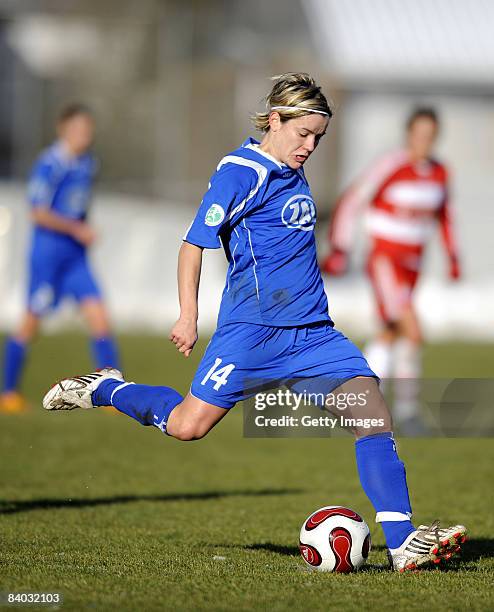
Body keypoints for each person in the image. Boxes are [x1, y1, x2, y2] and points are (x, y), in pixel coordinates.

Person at [42, 75, 465, 571]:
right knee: (186, 426)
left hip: (312, 335)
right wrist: (188, 313)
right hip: (252, 336)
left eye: (318, 138)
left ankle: (403, 544)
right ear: (275, 120)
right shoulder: (240, 172)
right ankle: (108, 389)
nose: (310, 146)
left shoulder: (291, 165)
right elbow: (192, 244)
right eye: (303, 133)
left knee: (372, 417)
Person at [321, 108, 460, 433]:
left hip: (413, 267)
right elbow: (352, 199)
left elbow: (446, 216)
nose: (424, 141)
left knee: (390, 332)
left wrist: (454, 258)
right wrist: (340, 247)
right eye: (419, 134)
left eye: (430, 135)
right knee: (412, 331)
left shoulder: (439, 172)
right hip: (385, 261)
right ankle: (407, 413)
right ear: (408, 134)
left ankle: (355, 402)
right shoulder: (391, 165)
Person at [0, 104, 119, 413]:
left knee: (100, 319)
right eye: (79, 130)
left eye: (88, 130)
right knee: (29, 324)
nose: (85, 135)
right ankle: (8, 392)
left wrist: (83, 230)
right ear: (63, 130)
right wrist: (76, 228)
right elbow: (38, 212)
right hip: (48, 258)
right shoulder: (49, 164)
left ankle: (111, 393)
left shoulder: (88, 163)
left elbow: (79, 206)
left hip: (75, 259)